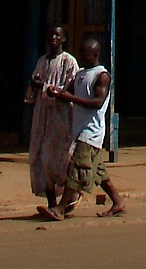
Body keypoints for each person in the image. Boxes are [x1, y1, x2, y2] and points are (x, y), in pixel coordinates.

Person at [44, 36, 124, 219]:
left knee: (76, 167)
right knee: (98, 170)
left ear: (95, 54)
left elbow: (97, 102)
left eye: (85, 54)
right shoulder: (80, 74)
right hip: (78, 128)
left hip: (91, 131)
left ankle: (61, 208)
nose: (81, 56)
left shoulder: (101, 76)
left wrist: (70, 99)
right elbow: (68, 91)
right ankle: (118, 201)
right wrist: (56, 92)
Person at [24, 24, 78, 213]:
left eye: (57, 35)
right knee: (42, 157)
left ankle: (70, 197)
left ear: (64, 38)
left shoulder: (69, 62)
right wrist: (37, 86)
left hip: (61, 117)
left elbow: (68, 89)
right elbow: (33, 83)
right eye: (50, 34)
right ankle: (51, 203)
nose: (53, 38)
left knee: (62, 158)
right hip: (42, 116)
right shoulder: (42, 61)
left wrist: (44, 86)